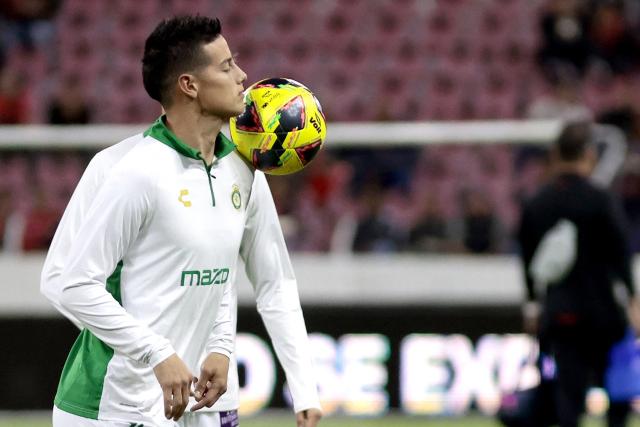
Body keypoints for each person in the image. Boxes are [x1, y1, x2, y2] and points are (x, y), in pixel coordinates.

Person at [41, 16, 321, 427]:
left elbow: (246, 278)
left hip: (201, 396)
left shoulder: (243, 170)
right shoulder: (126, 169)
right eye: (226, 67)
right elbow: (65, 282)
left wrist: (226, 347)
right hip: (114, 403)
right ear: (188, 85)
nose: (243, 76)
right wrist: (150, 349)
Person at [517, 121, 640, 427]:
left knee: (569, 397)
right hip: (603, 312)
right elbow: (619, 254)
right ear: (589, 155)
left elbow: (529, 262)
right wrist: (633, 298)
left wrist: (532, 304)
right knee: (618, 392)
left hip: (561, 313)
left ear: (556, 155)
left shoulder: (537, 203)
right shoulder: (600, 200)